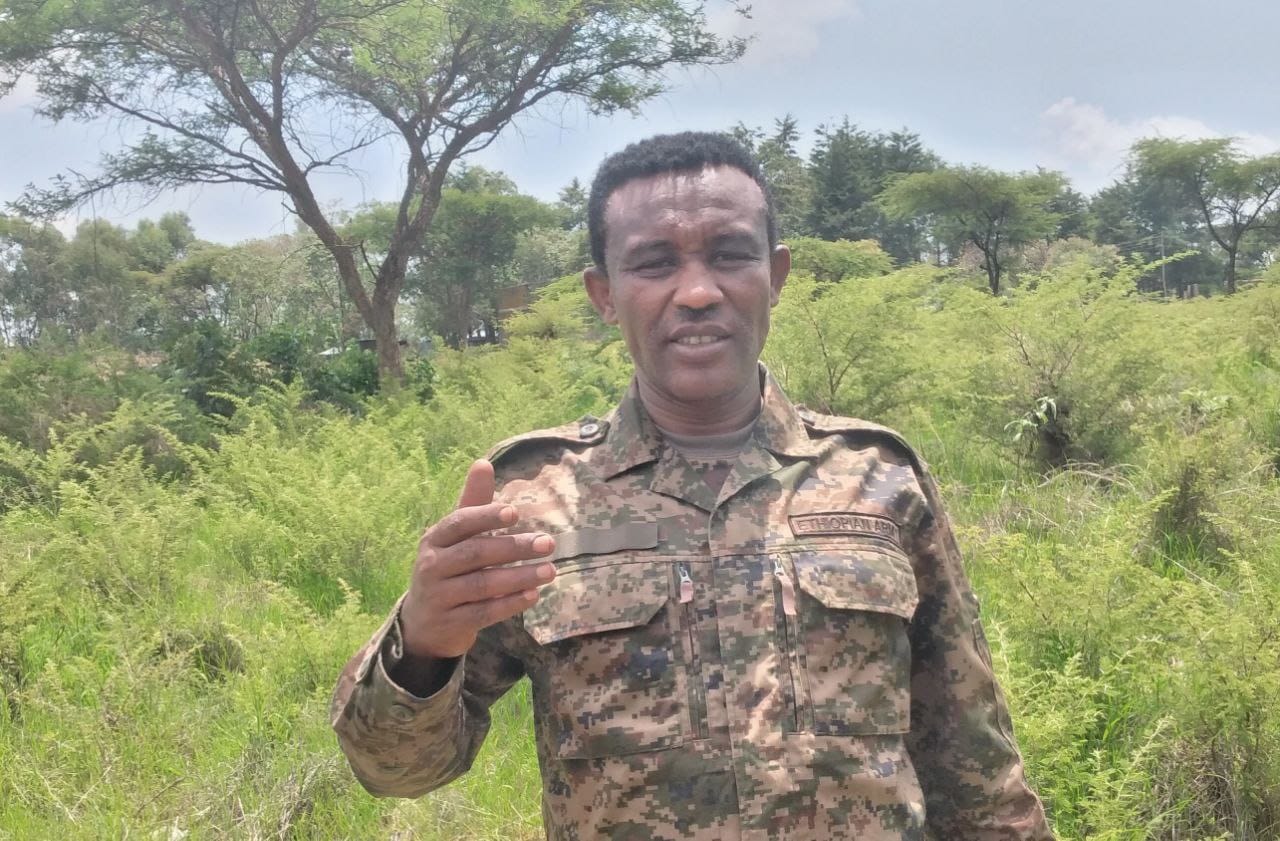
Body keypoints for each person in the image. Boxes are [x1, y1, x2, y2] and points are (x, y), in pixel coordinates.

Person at [331, 132, 1054, 840]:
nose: (699, 292)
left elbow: (974, 763)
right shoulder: (530, 500)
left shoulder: (879, 476)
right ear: (604, 294)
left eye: (730, 254)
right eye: (654, 263)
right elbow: (398, 771)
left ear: (776, 274)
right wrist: (423, 643)